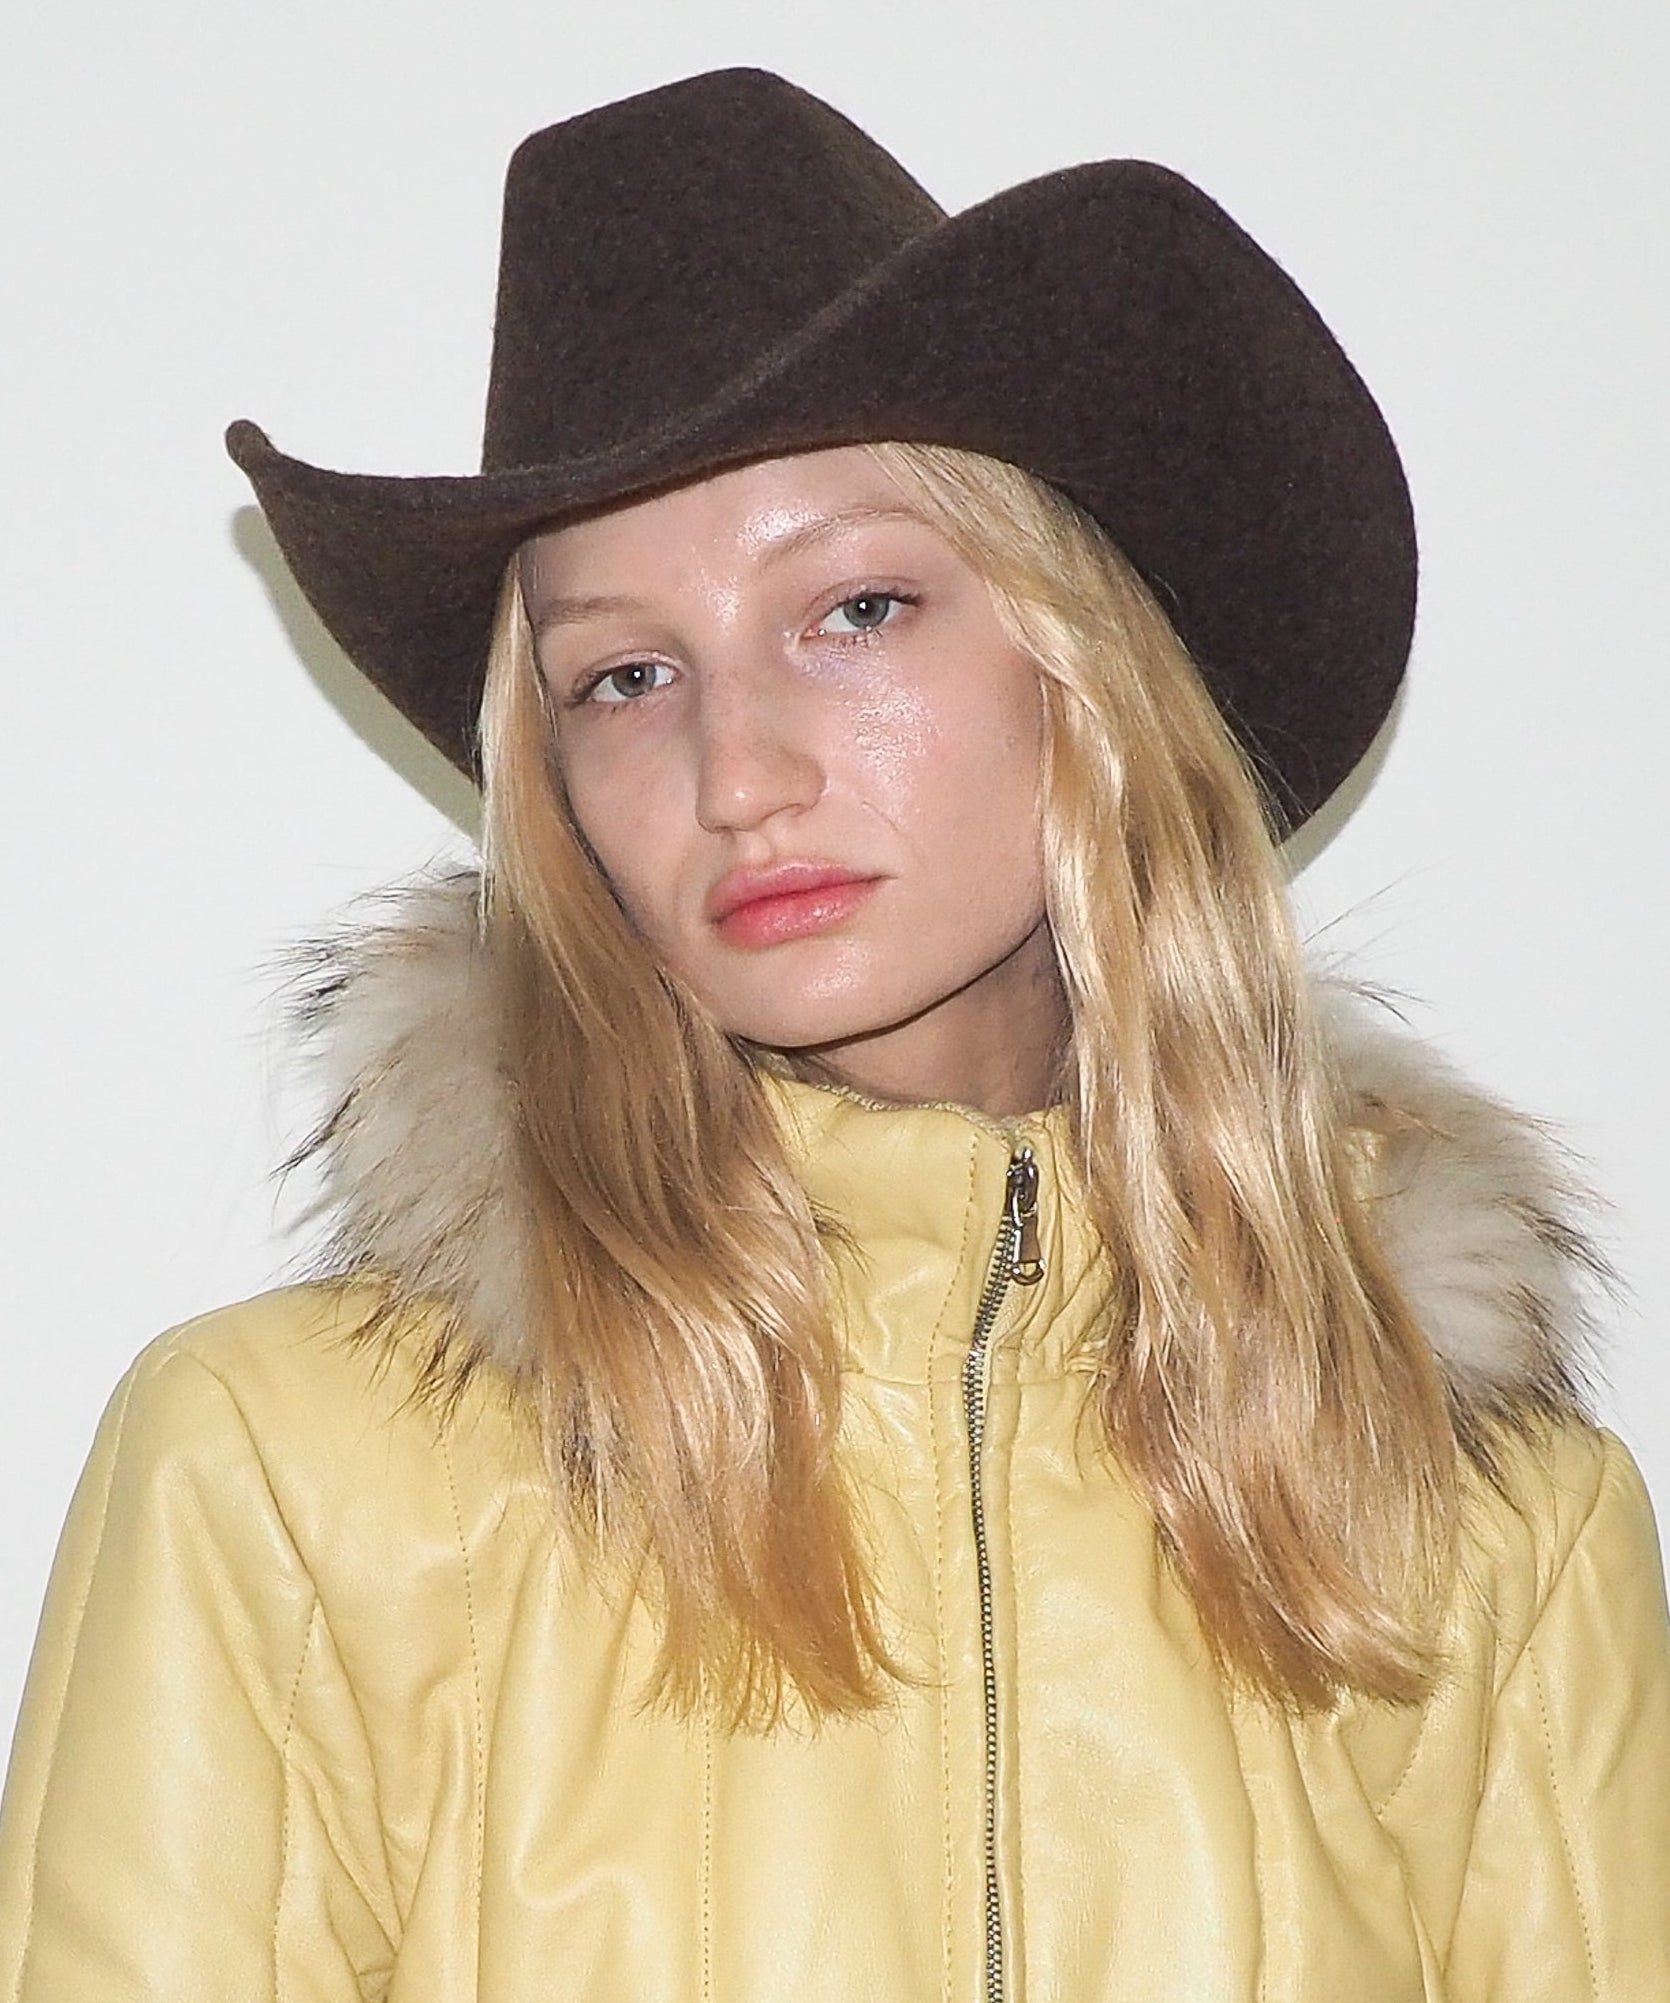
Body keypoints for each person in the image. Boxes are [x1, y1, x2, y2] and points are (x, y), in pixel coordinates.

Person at [2, 65, 1667, 2002]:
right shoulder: (282, 1481)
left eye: (856, 609)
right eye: (623, 677)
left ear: (1088, 669)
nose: (738, 771)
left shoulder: (1488, 1537)